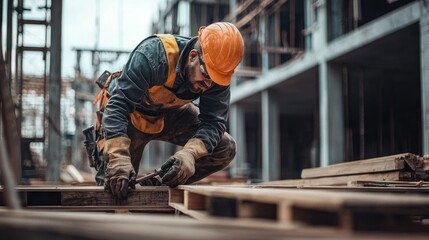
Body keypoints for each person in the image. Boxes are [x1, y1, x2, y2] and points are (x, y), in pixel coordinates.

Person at [92, 22, 244, 200]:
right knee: (116, 186)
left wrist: (190, 154)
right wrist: (118, 157)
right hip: (131, 118)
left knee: (225, 148)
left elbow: (213, 123)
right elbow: (119, 105)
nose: (209, 84)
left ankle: (160, 183)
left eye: (216, 80)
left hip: (170, 114)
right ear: (193, 56)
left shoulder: (216, 77)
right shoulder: (154, 55)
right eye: (207, 75)